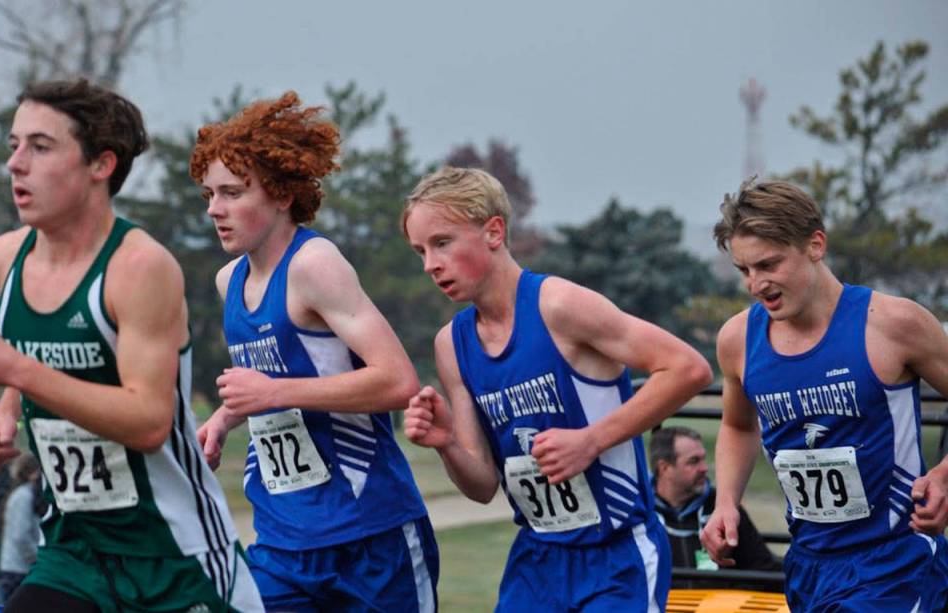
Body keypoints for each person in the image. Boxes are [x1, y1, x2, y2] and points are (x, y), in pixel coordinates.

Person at [0, 79, 261, 613]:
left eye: (40, 147)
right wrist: (5, 414)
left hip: (171, 557)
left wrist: (17, 370)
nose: (16, 164)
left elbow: (150, 422)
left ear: (100, 165)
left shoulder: (139, 269)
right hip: (74, 551)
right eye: (13, 145)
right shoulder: (6, 259)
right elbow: (41, 351)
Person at [401, 166, 713, 612]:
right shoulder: (452, 344)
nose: (431, 264)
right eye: (420, 251)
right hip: (537, 559)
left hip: (616, 556)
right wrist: (447, 443)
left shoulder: (560, 306)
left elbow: (688, 368)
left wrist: (591, 441)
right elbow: (483, 485)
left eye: (442, 243)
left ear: (493, 232)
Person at [192, 92, 439, 612]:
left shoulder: (315, 264)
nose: (215, 209)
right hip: (283, 540)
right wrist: (223, 419)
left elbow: (397, 381)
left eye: (233, 193)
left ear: (281, 195)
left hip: (368, 536)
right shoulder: (227, 281)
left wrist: (271, 392)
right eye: (210, 193)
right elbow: (273, 377)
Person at [701, 178, 948, 612]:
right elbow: (738, 426)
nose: (756, 284)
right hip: (809, 564)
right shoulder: (738, 339)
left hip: (896, 561)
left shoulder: (893, 324)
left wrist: (946, 474)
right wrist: (726, 504)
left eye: (769, 264)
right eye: (745, 270)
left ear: (815, 245)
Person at [650, 426, 781, 589]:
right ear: (664, 468)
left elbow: (763, 571)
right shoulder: (640, 515)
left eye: (703, 459)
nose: (704, 468)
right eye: (694, 461)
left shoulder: (724, 509)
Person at [0, 453, 43, 604]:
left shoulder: (22, 494)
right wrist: (37, 560)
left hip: (16, 567)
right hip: (19, 569)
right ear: (34, 472)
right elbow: (20, 536)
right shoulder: (24, 496)